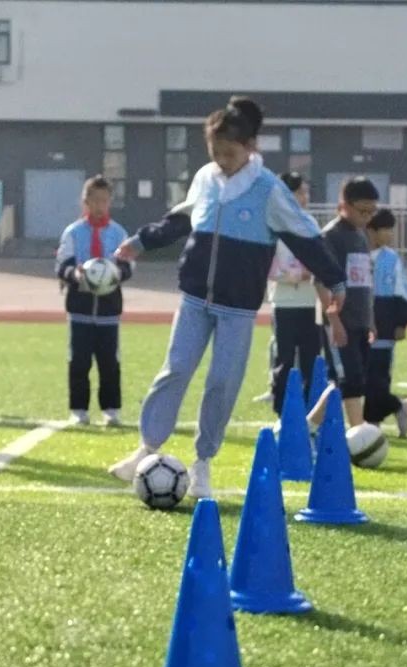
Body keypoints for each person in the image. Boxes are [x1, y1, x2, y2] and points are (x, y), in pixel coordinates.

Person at [108, 96, 346, 497]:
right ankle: (147, 448)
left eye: (229, 153)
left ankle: (203, 463)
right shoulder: (206, 178)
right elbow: (180, 218)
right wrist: (139, 242)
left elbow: (305, 234)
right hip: (195, 297)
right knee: (175, 369)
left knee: (222, 382)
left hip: (237, 307)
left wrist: (336, 282)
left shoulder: (268, 190)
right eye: (215, 152)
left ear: (251, 147)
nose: (221, 160)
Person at [56, 175, 132, 427]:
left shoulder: (119, 232)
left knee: (110, 361)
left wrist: (116, 274)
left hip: (109, 310)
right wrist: (75, 275)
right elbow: (62, 265)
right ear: (85, 202)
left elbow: (128, 265)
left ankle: (111, 409)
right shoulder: (73, 232)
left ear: (110, 201)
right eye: (94, 200)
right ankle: (79, 409)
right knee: (79, 361)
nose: (100, 205)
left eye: (104, 200)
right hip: (80, 309)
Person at [305, 177, 380, 431]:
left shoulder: (360, 236)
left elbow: (364, 282)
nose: (367, 217)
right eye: (362, 211)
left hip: (358, 321)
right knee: (349, 381)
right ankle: (358, 433)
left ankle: (308, 427)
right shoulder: (331, 236)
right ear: (343, 206)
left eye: (372, 212)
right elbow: (320, 282)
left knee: (346, 381)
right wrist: (334, 321)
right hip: (338, 323)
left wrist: (370, 319)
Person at [268, 171, 322, 415]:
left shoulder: (310, 223)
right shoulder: (273, 223)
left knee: (312, 359)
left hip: (311, 301)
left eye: (306, 191)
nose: (305, 196)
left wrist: (311, 272)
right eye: (300, 191)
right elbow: (267, 264)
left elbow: (321, 257)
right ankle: (282, 410)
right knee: (285, 359)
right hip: (284, 302)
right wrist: (289, 275)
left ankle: (311, 411)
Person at [363, 209, 407, 436]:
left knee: (378, 375)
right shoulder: (356, 253)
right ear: (371, 231)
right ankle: (400, 407)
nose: (390, 235)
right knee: (360, 375)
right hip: (359, 322)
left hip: (384, 323)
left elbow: (402, 291)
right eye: (386, 230)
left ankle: (373, 424)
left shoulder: (391, 259)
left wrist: (402, 322)